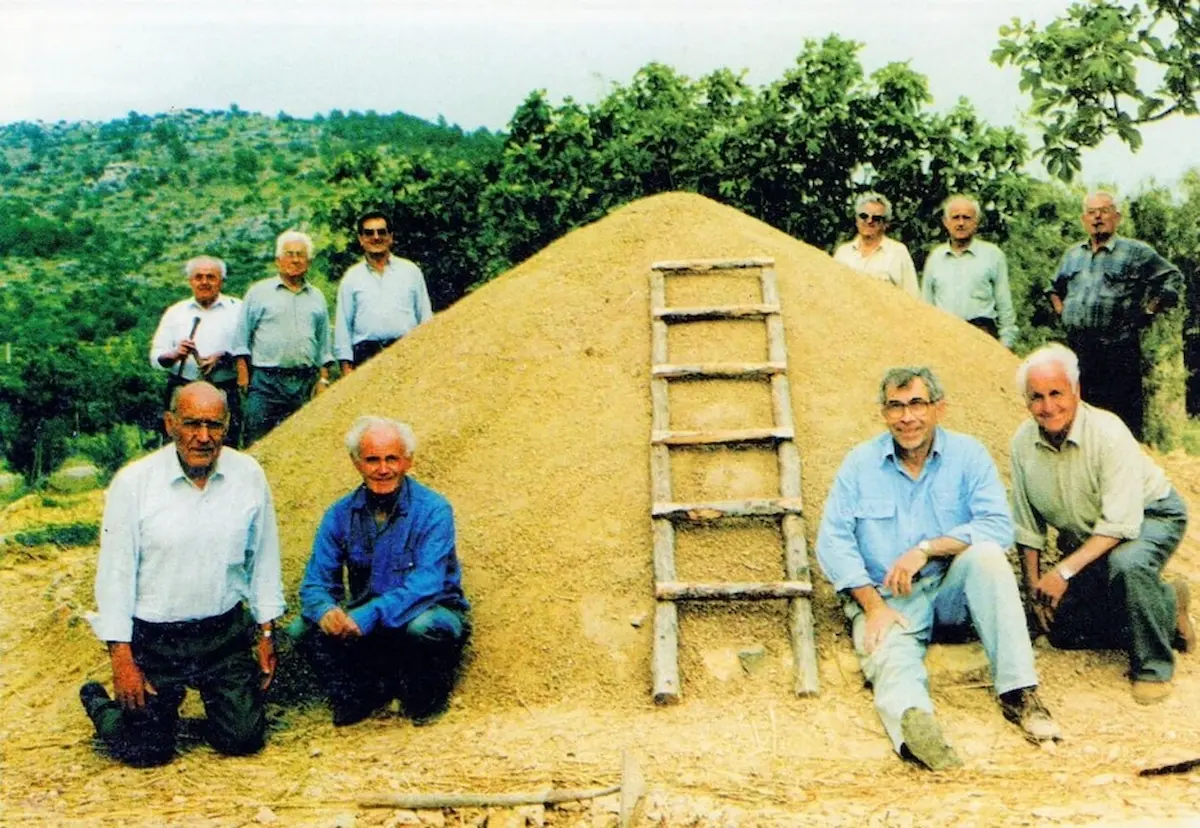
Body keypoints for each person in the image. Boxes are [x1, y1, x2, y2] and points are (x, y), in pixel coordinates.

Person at [816, 366, 1058, 771]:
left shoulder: (968, 456)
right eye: (895, 406)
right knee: (888, 656)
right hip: (893, 601)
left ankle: (1019, 693)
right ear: (883, 413)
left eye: (916, 404)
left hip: (953, 595)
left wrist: (927, 549)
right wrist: (872, 606)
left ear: (939, 408)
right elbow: (832, 542)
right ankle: (917, 728)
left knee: (986, 556)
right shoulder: (859, 465)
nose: (906, 417)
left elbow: (998, 528)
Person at [79, 381, 285, 766]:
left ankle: (201, 706)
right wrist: (121, 658)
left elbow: (264, 557)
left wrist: (266, 632)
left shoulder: (248, 475)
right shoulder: (134, 484)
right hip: (157, 638)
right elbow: (115, 576)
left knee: (242, 738)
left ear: (227, 426)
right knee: (146, 751)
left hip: (222, 634)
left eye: (214, 425)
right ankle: (99, 703)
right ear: (170, 424)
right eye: (192, 424)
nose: (203, 437)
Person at [1010, 344, 1193, 705]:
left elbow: (1121, 523)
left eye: (1056, 393)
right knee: (1061, 631)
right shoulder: (1022, 444)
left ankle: (1153, 667)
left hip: (1149, 516)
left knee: (1127, 564)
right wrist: (1034, 586)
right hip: (1089, 537)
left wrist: (1061, 573)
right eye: (1037, 397)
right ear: (1026, 402)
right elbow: (1026, 523)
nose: (1048, 407)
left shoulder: (1109, 433)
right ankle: (1167, 606)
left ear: (1076, 391)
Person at [294, 416, 470, 726]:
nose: (383, 469)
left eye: (392, 459)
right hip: (370, 625)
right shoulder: (338, 515)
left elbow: (426, 585)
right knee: (300, 628)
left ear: (408, 461)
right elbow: (315, 584)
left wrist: (367, 615)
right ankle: (362, 692)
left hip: (425, 612)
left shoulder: (434, 510)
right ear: (356, 463)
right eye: (372, 459)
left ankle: (425, 695)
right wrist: (326, 611)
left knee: (425, 627)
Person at [1049, 191, 1183, 440]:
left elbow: (1172, 277)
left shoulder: (1135, 252)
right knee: (1081, 420)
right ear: (1083, 219)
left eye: (1104, 211)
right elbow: (1053, 289)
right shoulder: (1072, 255)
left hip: (1118, 348)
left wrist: (1150, 310)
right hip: (1079, 349)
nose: (1097, 217)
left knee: (1122, 422)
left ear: (1117, 217)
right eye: (1091, 212)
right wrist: (1063, 311)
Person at [233, 230, 335, 445]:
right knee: (257, 440)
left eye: (301, 255)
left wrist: (323, 379)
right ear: (278, 260)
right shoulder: (258, 293)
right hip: (265, 381)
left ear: (309, 261)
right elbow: (241, 338)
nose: (295, 259)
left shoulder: (316, 297)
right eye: (290, 254)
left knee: (301, 443)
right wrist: (243, 374)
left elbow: (323, 343)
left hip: (304, 382)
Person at [150, 256, 244, 446]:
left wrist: (225, 357)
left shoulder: (238, 309)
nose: (204, 282)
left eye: (211, 277)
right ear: (190, 281)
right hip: (183, 387)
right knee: (181, 445)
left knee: (225, 445)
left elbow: (250, 350)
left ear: (221, 281)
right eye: (198, 277)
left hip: (224, 388)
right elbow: (156, 357)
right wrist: (175, 354)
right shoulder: (175, 312)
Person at [334, 211, 433, 374]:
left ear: (391, 236)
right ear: (361, 239)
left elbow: (425, 315)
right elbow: (343, 325)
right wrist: (346, 366)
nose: (376, 237)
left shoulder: (410, 271)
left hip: (407, 352)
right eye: (369, 233)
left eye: (381, 232)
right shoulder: (351, 278)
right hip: (366, 357)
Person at [922, 195, 1018, 348]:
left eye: (966, 218)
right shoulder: (935, 257)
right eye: (955, 217)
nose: (960, 223)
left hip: (982, 337)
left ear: (976, 223)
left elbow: (1004, 304)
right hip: (943, 338)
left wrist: (1005, 345)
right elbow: (925, 306)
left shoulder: (993, 255)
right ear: (946, 223)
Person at [832, 193, 919, 298]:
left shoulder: (898, 252)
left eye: (876, 218)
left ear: (886, 224)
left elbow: (912, 296)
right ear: (856, 220)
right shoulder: (843, 253)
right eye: (864, 216)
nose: (869, 221)